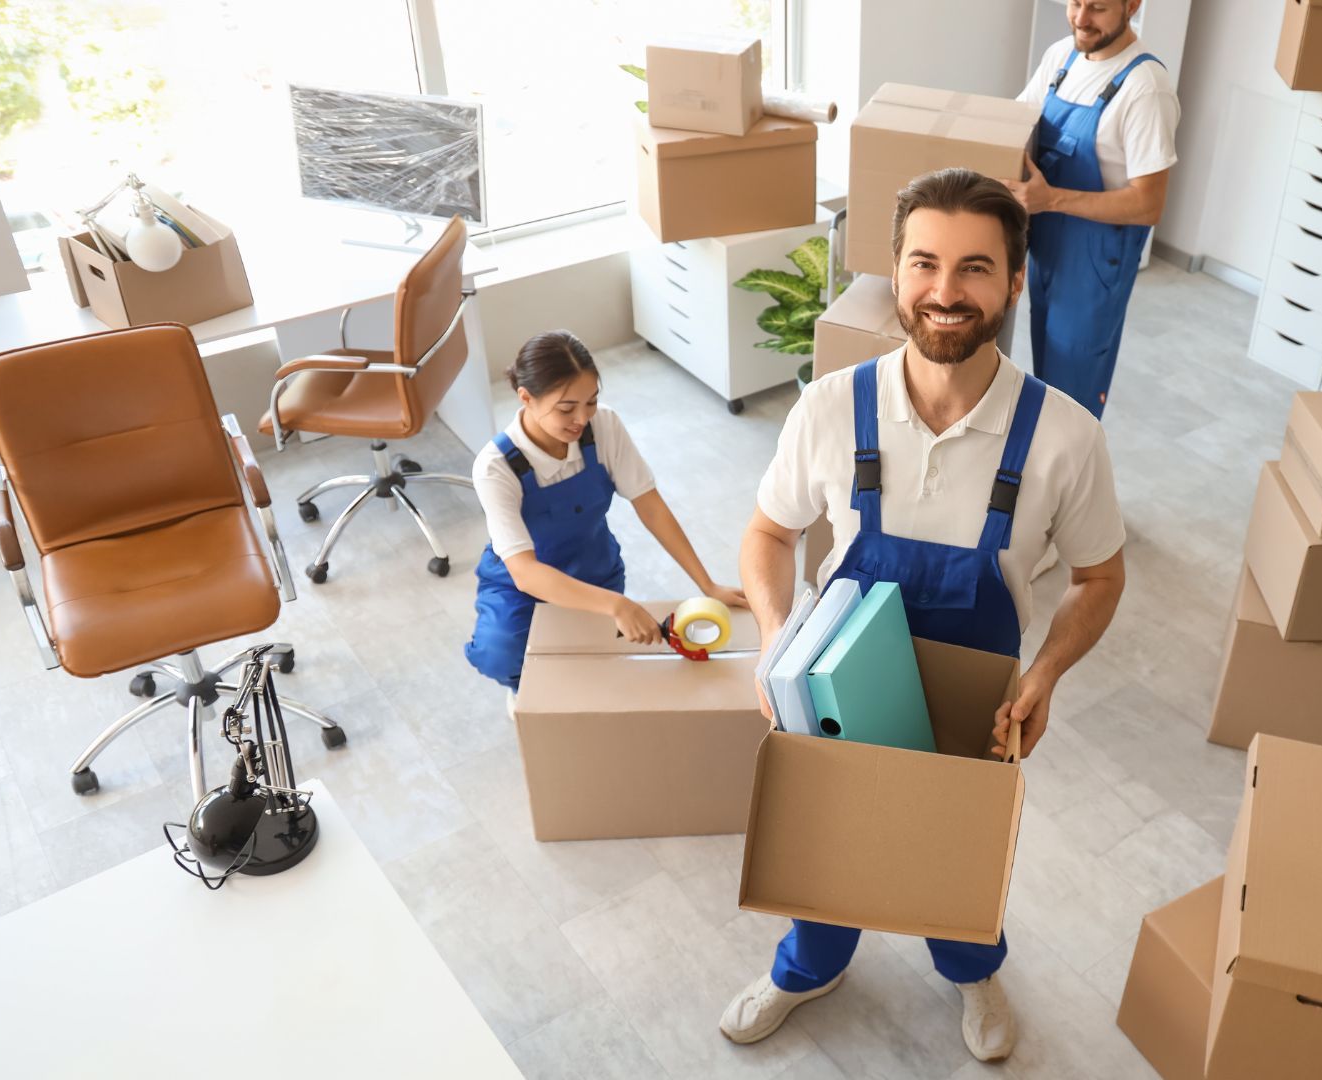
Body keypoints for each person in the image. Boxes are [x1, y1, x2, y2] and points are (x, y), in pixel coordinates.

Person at [722, 169, 1128, 1062]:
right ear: (896, 272)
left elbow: (1100, 576)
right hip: (836, 686)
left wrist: (1047, 673)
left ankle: (971, 969)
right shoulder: (832, 407)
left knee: (960, 854)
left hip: (976, 698)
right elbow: (766, 531)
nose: (945, 293)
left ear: (1015, 281)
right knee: (826, 843)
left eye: (975, 268)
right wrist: (773, 636)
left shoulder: (1064, 437)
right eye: (924, 264)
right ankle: (809, 966)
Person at [463, 331, 745, 703]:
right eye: (566, 408)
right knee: (499, 652)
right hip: (518, 584)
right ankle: (524, 692)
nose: (582, 418)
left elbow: (651, 506)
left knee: (592, 660)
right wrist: (617, 605)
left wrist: (706, 584)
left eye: (591, 401)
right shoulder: (495, 466)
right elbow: (525, 571)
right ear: (526, 398)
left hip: (594, 569)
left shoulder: (605, 427)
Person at [1009, 0, 1181, 419]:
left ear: (1132, 5)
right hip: (1046, 250)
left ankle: (1071, 481)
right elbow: (1013, 124)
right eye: (1075, 2)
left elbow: (1149, 203)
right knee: (1045, 382)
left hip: (1093, 268)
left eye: (1098, 7)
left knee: (1072, 400)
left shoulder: (1145, 86)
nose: (1081, 19)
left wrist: (1051, 199)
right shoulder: (1060, 57)